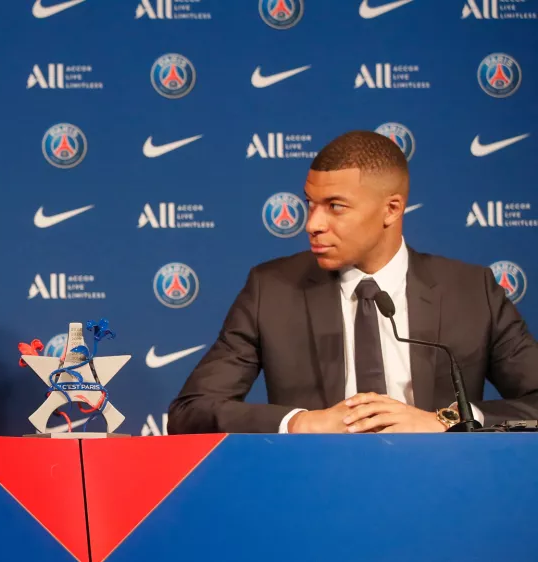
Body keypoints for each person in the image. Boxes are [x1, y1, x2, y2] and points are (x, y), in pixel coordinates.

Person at [168, 130, 538, 434]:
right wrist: (302, 422)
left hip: (440, 491)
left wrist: (444, 420)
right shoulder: (272, 290)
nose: (312, 224)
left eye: (335, 206)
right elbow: (190, 411)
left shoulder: (472, 291)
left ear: (391, 210)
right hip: (316, 493)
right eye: (310, 204)